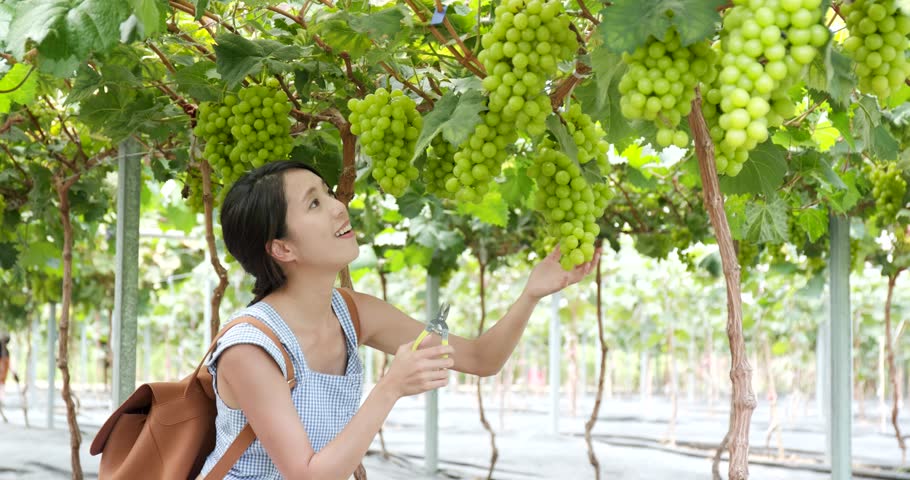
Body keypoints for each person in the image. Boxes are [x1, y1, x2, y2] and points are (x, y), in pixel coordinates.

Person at [200, 160, 600, 479]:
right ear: (282, 248)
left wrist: (532, 292)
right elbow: (308, 476)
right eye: (314, 203)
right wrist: (390, 387)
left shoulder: (354, 313)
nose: (339, 205)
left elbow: (480, 359)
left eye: (326, 192)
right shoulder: (250, 349)